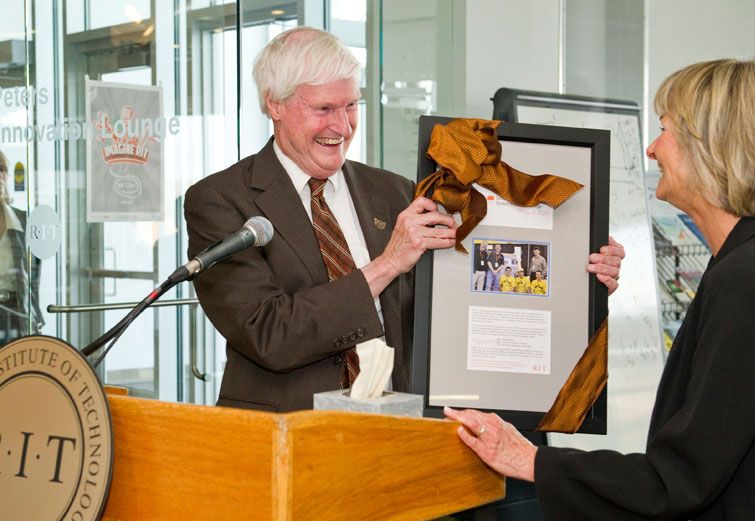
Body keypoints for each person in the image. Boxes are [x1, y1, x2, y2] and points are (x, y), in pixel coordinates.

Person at [185, 27, 624, 413]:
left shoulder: (395, 191)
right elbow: (269, 334)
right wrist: (386, 265)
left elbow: (456, 293)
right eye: (323, 109)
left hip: (399, 434)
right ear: (274, 105)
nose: (342, 125)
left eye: (351, 105)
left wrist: (572, 272)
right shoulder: (221, 200)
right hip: (283, 440)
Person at [445, 57, 755, 521]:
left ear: (715, 149)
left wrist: (530, 460)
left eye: (667, 131)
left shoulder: (751, 280)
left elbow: (682, 479)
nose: (651, 150)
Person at [0, 150, 43, 346]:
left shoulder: (24, 221)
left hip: (17, 313)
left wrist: (36, 318)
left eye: (1, 170)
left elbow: (33, 281)